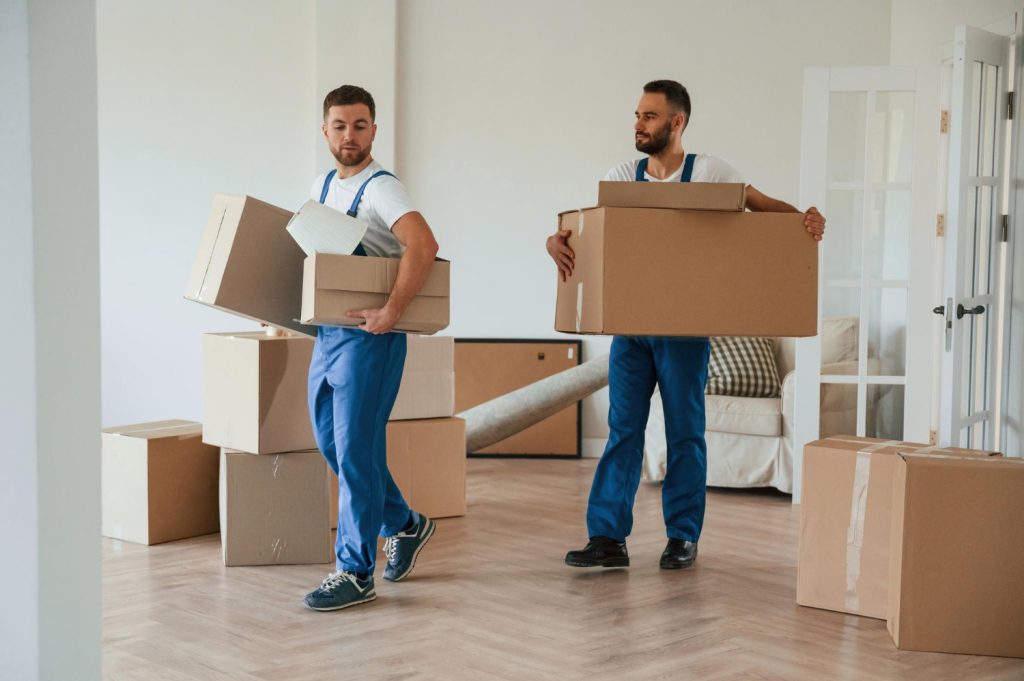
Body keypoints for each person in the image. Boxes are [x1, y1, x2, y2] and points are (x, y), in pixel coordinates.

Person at [548, 80, 825, 571]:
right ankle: (608, 539)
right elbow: (586, 235)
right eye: (636, 115)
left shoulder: (711, 173)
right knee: (623, 431)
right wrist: (556, 243)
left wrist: (803, 221)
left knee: (685, 433)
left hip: (685, 333)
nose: (638, 124)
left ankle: (682, 536)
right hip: (631, 331)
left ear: (677, 123)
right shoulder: (622, 176)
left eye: (649, 117)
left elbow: (766, 211)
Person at [303, 85, 441, 611]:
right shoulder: (320, 185)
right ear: (325, 130)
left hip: (372, 338)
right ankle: (406, 523)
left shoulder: (383, 189)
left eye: (359, 125)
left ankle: (354, 570)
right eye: (339, 125)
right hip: (330, 334)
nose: (349, 136)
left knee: (358, 450)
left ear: (374, 131)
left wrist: (393, 313)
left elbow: (424, 245)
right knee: (332, 445)